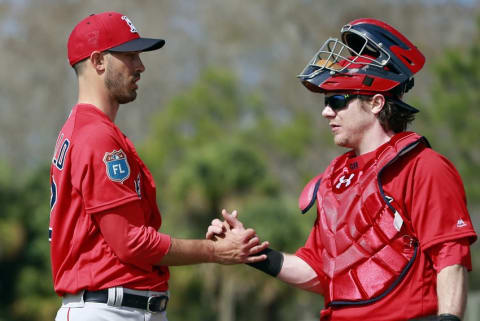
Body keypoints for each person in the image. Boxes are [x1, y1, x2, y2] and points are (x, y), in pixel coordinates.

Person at [207, 18, 477, 321]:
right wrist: (251, 253)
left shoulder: (423, 167)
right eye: (326, 102)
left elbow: (450, 256)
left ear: (376, 103)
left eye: (337, 100)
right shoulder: (335, 178)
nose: (326, 112)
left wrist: (450, 318)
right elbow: (321, 271)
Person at [49, 11, 268, 321]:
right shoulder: (96, 135)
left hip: (122, 306)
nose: (140, 66)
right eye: (129, 55)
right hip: (105, 309)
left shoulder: (89, 130)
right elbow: (130, 243)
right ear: (98, 61)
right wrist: (215, 253)